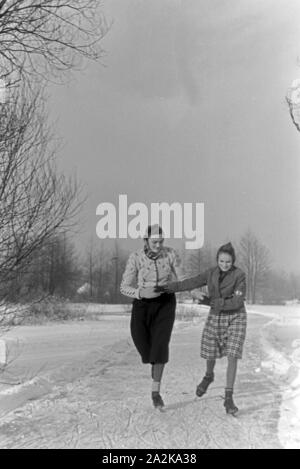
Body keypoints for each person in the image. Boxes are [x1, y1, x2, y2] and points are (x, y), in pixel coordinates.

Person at [155, 242, 247, 415]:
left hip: (236, 316)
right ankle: (209, 375)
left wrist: (212, 302)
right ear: (217, 260)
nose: (225, 264)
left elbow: (237, 301)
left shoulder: (239, 275)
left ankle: (228, 398)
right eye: (221, 261)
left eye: (228, 262)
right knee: (210, 351)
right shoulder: (211, 273)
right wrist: (167, 288)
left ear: (233, 261)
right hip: (216, 315)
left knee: (233, 355)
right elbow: (189, 283)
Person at [120, 224, 185, 409]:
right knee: (142, 342)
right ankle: (154, 362)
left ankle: (155, 392)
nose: (158, 245)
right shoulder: (136, 258)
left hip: (165, 303)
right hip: (143, 303)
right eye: (155, 242)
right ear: (146, 241)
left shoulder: (170, 254)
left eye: (161, 241)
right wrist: (141, 293)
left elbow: (183, 278)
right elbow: (123, 287)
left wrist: (198, 293)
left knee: (160, 346)